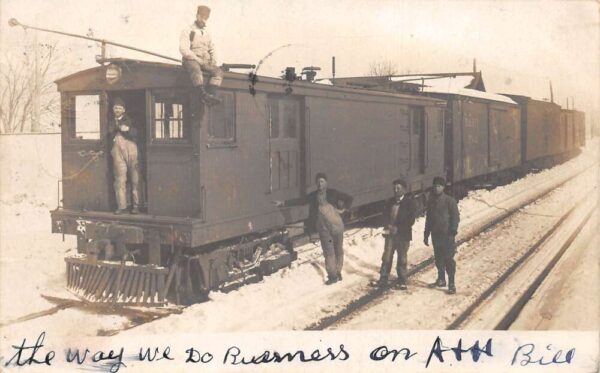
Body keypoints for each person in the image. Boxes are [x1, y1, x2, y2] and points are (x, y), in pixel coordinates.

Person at [274, 173, 353, 285]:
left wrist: (343, 209)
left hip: (337, 226)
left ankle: (338, 272)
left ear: (326, 183)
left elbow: (349, 199)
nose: (320, 184)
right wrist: (284, 203)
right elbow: (301, 201)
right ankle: (333, 275)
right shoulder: (313, 196)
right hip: (324, 228)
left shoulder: (333, 193)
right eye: (318, 182)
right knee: (329, 251)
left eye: (322, 181)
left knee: (338, 250)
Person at [372, 179, 417, 290]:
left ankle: (402, 280)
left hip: (403, 235)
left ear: (404, 190)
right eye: (394, 188)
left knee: (402, 258)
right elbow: (385, 216)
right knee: (386, 257)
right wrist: (388, 225)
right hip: (390, 235)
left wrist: (398, 228)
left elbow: (411, 220)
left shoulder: (410, 203)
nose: (395, 190)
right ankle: (383, 278)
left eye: (398, 188)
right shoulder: (390, 202)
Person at [179, 5, 223, 105]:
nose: (204, 20)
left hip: (205, 62)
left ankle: (210, 95)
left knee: (218, 72)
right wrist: (197, 60)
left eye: (206, 18)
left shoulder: (207, 33)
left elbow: (212, 48)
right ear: (197, 16)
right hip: (191, 60)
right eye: (202, 17)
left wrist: (213, 60)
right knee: (195, 69)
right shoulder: (188, 30)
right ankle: (202, 94)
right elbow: (184, 49)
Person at [424, 176, 460, 294]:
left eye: (439, 186)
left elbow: (455, 217)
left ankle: (451, 283)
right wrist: (426, 234)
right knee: (438, 258)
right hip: (436, 235)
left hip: (447, 235)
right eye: (435, 186)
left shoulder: (450, 201)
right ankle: (441, 279)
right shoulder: (431, 202)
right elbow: (429, 219)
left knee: (448, 259)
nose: (436, 188)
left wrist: (453, 230)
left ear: (443, 187)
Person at [110, 98, 140, 215]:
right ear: (113, 110)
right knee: (120, 180)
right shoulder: (110, 121)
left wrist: (128, 129)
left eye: (119, 108)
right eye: (115, 108)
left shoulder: (130, 120)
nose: (117, 110)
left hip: (132, 151)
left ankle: (136, 206)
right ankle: (121, 206)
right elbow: (109, 133)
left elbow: (137, 132)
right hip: (117, 153)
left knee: (135, 179)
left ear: (123, 110)